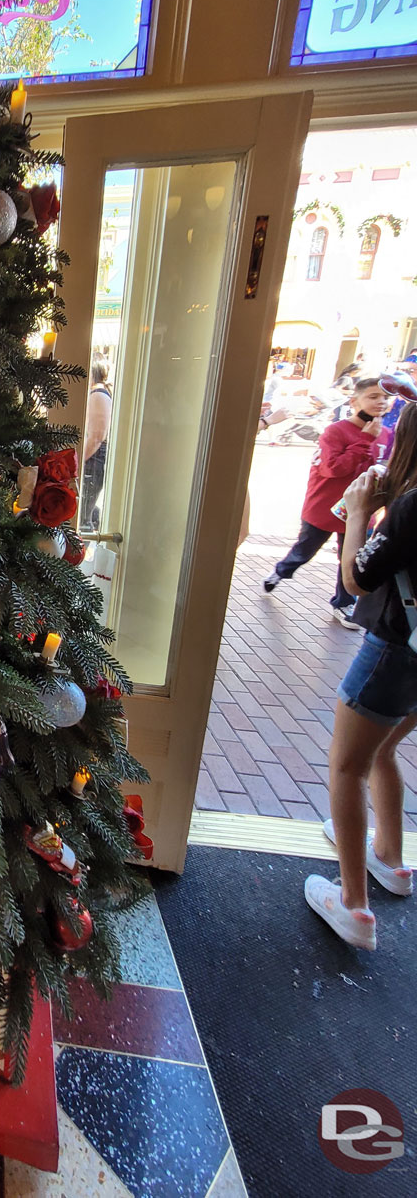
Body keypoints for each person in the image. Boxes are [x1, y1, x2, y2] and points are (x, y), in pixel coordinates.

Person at [305, 402, 417, 949]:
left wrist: (355, 515)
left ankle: (353, 905)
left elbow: (356, 581)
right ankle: (391, 860)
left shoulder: (412, 506)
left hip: (396, 649)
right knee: (385, 750)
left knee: (348, 766)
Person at [263, 377, 391, 626]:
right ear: (355, 401)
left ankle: (343, 603)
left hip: (361, 511)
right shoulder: (336, 431)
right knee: (305, 549)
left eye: (384, 397)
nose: (380, 402)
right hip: (324, 507)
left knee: (351, 558)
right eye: (373, 396)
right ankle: (281, 570)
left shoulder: (386, 434)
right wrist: (364, 440)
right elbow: (332, 468)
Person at [80, 363, 112, 531]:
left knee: (83, 515)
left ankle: (80, 554)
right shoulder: (99, 393)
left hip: (94, 460)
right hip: (95, 458)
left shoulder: (98, 395)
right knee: (86, 512)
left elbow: (96, 437)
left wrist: (77, 462)